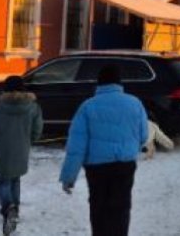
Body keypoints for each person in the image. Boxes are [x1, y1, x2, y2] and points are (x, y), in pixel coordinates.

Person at [59, 65, 148, 236]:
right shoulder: (134, 103)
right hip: (125, 165)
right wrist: (130, 148)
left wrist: (69, 177)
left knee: (98, 209)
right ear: (119, 83)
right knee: (121, 208)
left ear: (99, 84)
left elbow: (76, 146)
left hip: (97, 168)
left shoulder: (87, 106)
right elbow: (144, 135)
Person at [0, 75, 43, 234]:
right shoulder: (33, 107)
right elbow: (38, 128)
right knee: (15, 178)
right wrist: (30, 140)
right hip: (22, 148)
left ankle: (8, 208)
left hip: (2, 148)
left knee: (2, 180)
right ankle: (15, 208)